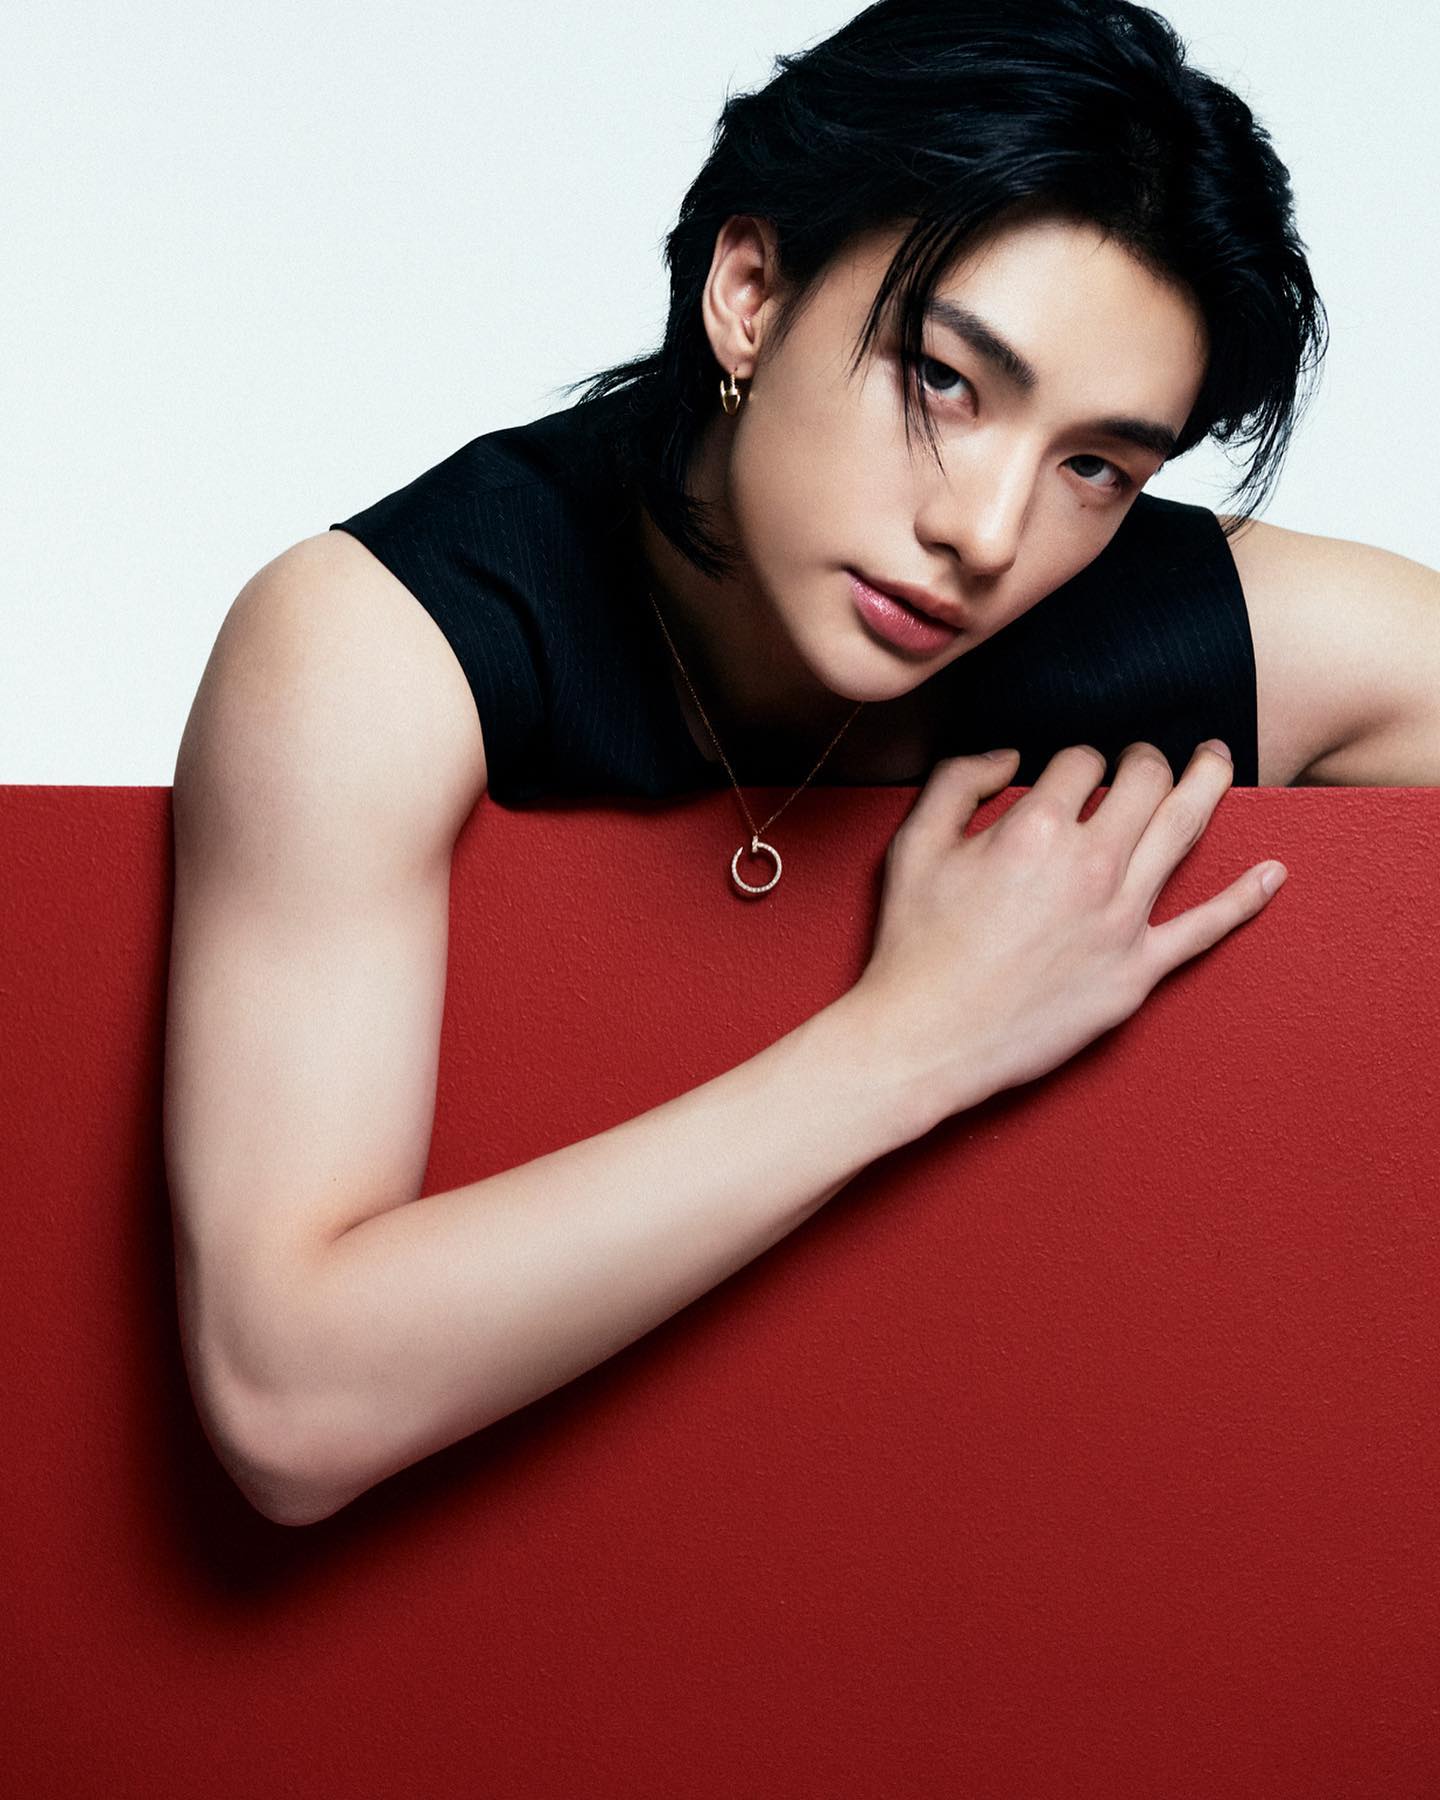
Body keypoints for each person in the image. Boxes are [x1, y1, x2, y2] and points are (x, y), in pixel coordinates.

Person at [165, 0, 1324, 1527]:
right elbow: (286, 1393)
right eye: (945, 380)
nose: (988, 535)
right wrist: (912, 1039)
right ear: (751, 293)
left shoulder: (1127, 601)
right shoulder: (376, 640)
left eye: (1097, 464)